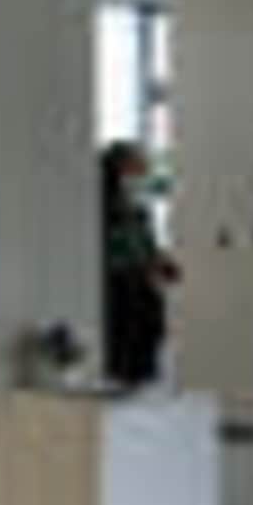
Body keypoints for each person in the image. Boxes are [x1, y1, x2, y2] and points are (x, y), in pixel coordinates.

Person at [101, 140, 179, 389]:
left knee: (150, 326)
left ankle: (138, 380)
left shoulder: (136, 203)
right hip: (117, 279)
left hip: (139, 278)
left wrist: (160, 262)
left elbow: (146, 239)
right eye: (138, 163)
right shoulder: (104, 203)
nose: (145, 169)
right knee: (127, 332)